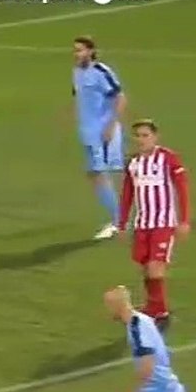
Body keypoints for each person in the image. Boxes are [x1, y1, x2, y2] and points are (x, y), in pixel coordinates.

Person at [117, 120, 190, 332]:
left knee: (155, 267)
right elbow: (127, 195)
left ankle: (161, 312)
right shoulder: (133, 163)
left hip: (163, 223)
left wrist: (184, 219)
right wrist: (122, 223)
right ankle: (154, 308)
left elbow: (182, 188)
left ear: (155, 137)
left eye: (145, 135)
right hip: (143, 224)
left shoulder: (168, 158)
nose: (141, 139)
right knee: (146, 267)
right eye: (137, 136)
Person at [72, 36, 128, 241]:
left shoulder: (101, 72)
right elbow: (80, 98)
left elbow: (120, 97)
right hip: (88, 132)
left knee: (100, 173)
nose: (76, 54)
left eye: (80, 50)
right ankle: (120, 218)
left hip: (102, 131)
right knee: (97, 174)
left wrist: (112, 125)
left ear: (91, 51)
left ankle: (118, 221)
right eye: (75, 50)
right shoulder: (77, 72)